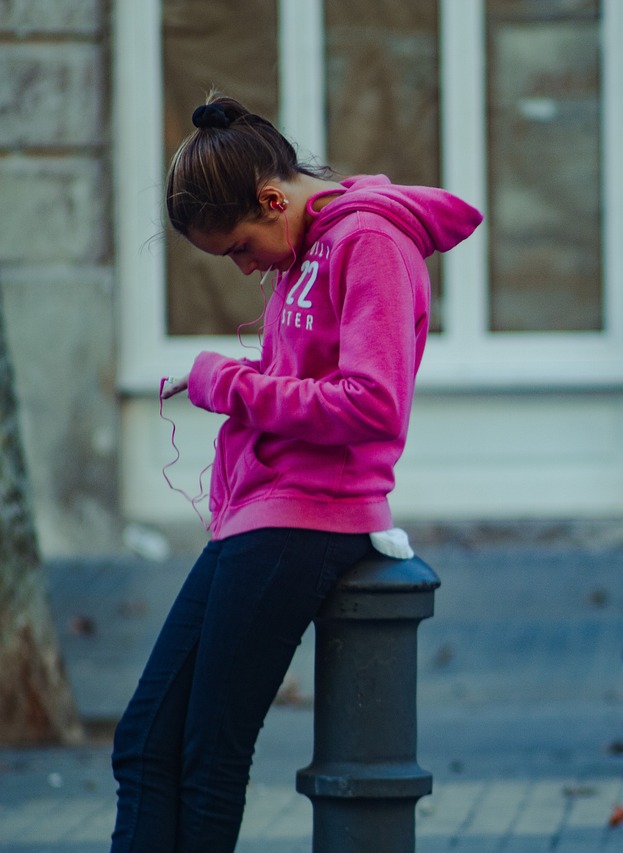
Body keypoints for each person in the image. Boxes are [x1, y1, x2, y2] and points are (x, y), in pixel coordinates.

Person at [110, 94, 482, 851]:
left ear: (273, 198)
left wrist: (227, 384)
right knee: (145, 743)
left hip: (311, 516)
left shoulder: (370, 243)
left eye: (241, 246)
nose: (247, 265)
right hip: (261, 514)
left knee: (207, 753)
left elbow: (373, 405)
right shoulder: (305, 247)